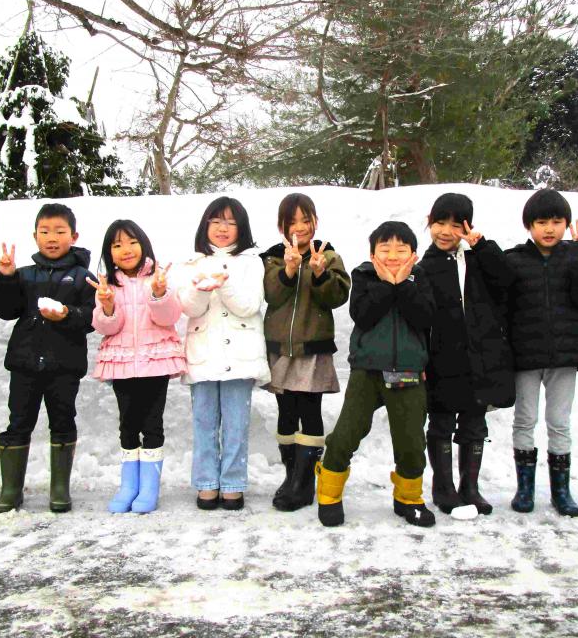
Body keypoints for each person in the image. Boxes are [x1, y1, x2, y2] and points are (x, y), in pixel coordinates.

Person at [315, 221, 436, 528]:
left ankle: (408, 498)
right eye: (385, 249)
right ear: (372, 254)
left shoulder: (420, 279)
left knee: (411, 441)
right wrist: (386, 284)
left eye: (401, 249)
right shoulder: (364, 276)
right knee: (346, 434)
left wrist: (404, 284)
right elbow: (363, 316)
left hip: (408, 373)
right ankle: (329, 494)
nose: (393, 255)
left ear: (414, 254)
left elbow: (424, 317)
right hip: (367, 371)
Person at [0, 203, 96, 513]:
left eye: (60, 231)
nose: (52, 237)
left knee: (63, 421)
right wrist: (7, 277)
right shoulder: (23, 274)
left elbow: (92, 318)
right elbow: (7, 310)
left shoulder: (82, 276)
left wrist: (67, 314)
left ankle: (59, 488)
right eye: (45, 231)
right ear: (35, 236)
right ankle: (11, 489)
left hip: (64, 366)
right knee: (18, 422)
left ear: (73, 236)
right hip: (24, 364)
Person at [505, 189, 578, 517]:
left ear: (566, 224)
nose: (549, 229)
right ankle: (525, 489)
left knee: (559, 422)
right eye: (541, 222)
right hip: (525, 356)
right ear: (529, 226)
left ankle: (562, 491)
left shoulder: (575, 256)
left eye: (557, 222)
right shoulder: (514, 259)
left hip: (565, 355)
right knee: (525, 419)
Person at [417, 193, 514, 518]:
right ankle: (443, 487)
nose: (445, 231)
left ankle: (469, 487)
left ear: (467, 227)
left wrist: (482, 245)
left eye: (455, 225)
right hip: (442, 358)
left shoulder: (478, 259)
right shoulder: (424, 266)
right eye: (439, 223)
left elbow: (508, 281)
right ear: (430, 222)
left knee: (475, 423)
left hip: (480, 356)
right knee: (441, 423)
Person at [178, 197, 269, 511]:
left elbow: (248, 306)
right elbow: (189, 308)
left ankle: (232, 483)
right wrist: (201, 289)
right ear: (206, 225)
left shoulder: (252, 262)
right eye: (216, 221)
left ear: (241, 229)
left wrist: (223, 285)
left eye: (231, 223)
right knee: (204, 422)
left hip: (240, 357)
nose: (223, 228)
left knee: (236, 424)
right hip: (203, 354)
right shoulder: (192, 262)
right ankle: (206, 483)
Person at [260, 193, 350, 511]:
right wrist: (288, 269)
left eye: (305, 220)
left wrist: (319, 272)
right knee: (286, 413)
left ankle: (305, 482)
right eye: (292, 221)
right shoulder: (272, 257)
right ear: (282, 226)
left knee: (309, 412)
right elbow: (271, 294)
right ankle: (291, 477)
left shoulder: (328, 254)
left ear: (315, 221)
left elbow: (338, 295)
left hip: (313, 349)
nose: (300, 227)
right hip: (280, 349)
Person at [91, 219, 185, 514]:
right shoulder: (109, 285)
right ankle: (128, 485)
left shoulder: (156, 278)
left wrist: (158, 293)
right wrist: (106, 305)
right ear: (109, 253)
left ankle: (149, 487)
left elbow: (168, 317)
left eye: (131, 242)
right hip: (122, 364)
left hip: (154, 362)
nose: (125, 250)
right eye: (117, 245)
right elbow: (107, 326)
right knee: (128, 424)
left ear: (143, 244)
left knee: (152, 424)